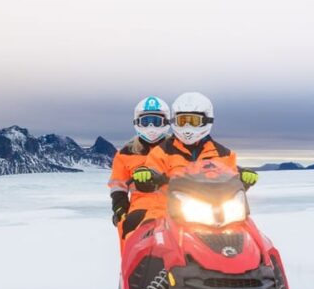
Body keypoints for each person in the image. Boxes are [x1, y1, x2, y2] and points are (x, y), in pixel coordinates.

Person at [133, 92, 258, 222]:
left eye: (193, 121)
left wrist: (243, 177)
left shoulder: (224, 154)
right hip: (170, 214)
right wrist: (146, 176)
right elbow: (151, 173)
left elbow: (233, 183)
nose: (187, 127)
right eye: (182, 121)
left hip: (218, 212)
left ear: (206, 120)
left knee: (249, 233)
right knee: (146, 234)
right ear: (174, 121)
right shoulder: (161, 152)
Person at [108, 96, 172, 240]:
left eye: (156, 121)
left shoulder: (177, 150)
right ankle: (129, 262)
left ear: (166, 121)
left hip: (176, 208)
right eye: (146, 121)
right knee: (127, 230)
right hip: (139, 209)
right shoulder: (126, 153)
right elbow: (118, 185)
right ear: (137, 122)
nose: (151, 127)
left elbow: (193, 171)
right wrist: (120, 207)